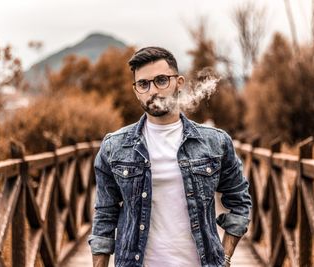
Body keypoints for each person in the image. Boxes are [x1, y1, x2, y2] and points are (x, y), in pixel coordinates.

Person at [88, 46, 252, 267]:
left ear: (179, 82)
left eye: (161, 80)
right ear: (136, 90)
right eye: (143, 84)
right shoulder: (114, 147)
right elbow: (104, 217)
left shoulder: (215, 142)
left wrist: (225, 257)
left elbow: (240, 202)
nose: (153, 90)